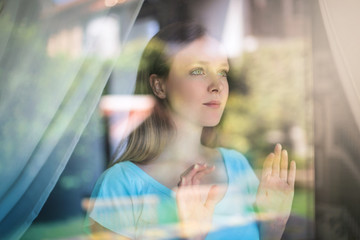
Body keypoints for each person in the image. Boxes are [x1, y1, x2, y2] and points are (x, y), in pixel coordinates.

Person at [86, 22, 296, 240]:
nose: (217, 85)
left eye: (223, 72)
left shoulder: (237, 165)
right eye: (198, 70)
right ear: (159, 86)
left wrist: (274, 226)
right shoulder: (121, 185)